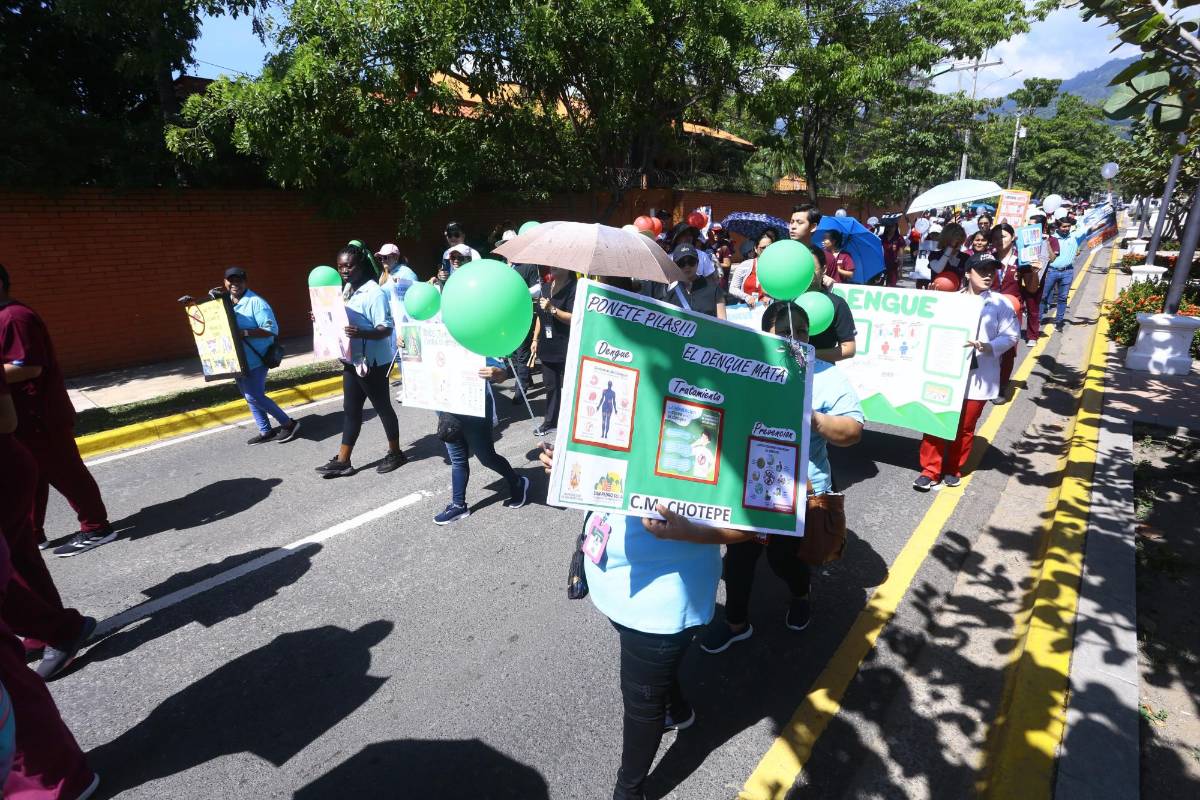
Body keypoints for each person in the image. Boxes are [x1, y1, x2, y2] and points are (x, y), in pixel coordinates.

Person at [537, 445, 754, 800]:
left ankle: (629, 790)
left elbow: (760, 521)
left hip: (662, 602)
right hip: (613, 580)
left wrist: (691, 532)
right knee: (650, 681)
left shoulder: (729, 403)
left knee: (641, 705)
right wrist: (570, 464)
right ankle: (679, 709)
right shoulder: (634, 393)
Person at [701, 301, 863, 653]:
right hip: (746, 486)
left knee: (784, 559)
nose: (794, 338)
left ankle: (800, 594)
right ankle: (736, 623)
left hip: (798, 494)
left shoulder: (825, 374)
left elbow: (852, 431)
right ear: (767, 334)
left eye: (802, 332)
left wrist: (815, 419)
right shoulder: (744, 368)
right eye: (784, 331)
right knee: (739, 560)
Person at [0, 265, 114, 558]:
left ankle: (97, 527)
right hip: (21, 416)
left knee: (66, 471)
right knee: (30, 476)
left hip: (41, 414)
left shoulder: (14, 317)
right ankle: (32, 534)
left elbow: (28, 367)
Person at [0, 359, 95, 682]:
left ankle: (57, 629)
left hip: (12, 457)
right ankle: (46, 630)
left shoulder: (15, 318)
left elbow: (29, 370)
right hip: (17, 457)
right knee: (20, 560)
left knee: (14, 564)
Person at [913, 254, 1018, 491]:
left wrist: (988, 346)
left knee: (966, 426)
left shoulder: (1001, 303)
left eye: (992, 270)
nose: (989, 275)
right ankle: (930, 470)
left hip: (980, 376)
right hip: (946, 372)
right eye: (982, 270)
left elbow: (1012, 336)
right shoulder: (950, 300)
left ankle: (953, 468)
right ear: (968, 273)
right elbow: (928, 327)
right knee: (936, 419)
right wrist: (929, 303)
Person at [315, 244, 407, 477]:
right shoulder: (346, 289)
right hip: (352, 359)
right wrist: (322, 318)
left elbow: (385, 329)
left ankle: (396, 453)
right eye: (340, 266)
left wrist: (360, 332)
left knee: (382, 406)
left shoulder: (373, 292)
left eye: (349, 265)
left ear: (360, 265)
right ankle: (344, 460)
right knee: (351, 409)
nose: (344, 270)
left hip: (374, 361)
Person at [182, 267, 301, 446]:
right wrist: (193, 305)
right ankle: (265, 430)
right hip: (236, 359)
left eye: (239, 280)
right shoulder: (225, 301)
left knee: (254, 395)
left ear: (245, 282)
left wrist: (244, 332)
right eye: (231, 280)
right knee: (248, 395)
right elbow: (212, 319)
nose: (234, 284)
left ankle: (289, 424)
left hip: (257, 358)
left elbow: (271, 330)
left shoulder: (256, 302)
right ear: (225, 282)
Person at [432, 362, 531, 525]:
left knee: (487, 458)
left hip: (475, 410)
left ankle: (518, 482)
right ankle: (458, 505)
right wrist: (404, 343)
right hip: (447, 410)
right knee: (457, 460)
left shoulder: (472, 339)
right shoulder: (430, 338)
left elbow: (501, 373)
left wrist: (497, 372)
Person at [990, 223, 1040, 399]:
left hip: (1012, 312)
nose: (999, 240)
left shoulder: (1023, 261)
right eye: (995, 237)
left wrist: (1033, 273)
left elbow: (1032, 289)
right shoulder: (988, 259)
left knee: (1008, 351)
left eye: (1003, 236)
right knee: (987, 348)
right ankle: (988, 382)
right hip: (989, 311)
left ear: (1013, 238)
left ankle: (1002, 385)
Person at [531, 267, 576, 437]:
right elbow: (539, 317)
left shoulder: (575, 288)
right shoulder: (544, 287)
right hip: (547, 345)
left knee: (572, 386)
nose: (554, 267)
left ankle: (573, 422)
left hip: (566, 344)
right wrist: (535, 339)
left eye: (559, 264)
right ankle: (550, 421)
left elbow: (574, 317)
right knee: (551, 386)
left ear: (567, 267)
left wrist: (553, 309)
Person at [805, 246, 858, 363]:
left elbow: (849, 348)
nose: (806, 272)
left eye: (812, 268)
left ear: (824, 269)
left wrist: (808, 355)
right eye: (802, 268)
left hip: (822, 372)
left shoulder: (837, 304)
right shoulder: (786, 300)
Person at [643, 245, 726, 319]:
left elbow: (723, 323)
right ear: (675, 265)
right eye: (681, 263)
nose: (687, 266)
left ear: (697, 262)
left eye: (691, 262)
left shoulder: (714, 289)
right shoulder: (667, 291)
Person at [1040, 215, 1079, 333]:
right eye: (1064, 226)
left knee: (1062, 298)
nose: (1066, 229)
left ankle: (1059, 322)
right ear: (1058, 227)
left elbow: (1089, 227)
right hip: (1051, 271)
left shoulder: (1075, 237)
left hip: (1068, 271)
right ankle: (1038, 319)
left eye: (1068, 226)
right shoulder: (1051, 238)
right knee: (1043, 296)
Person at [729, 229, 779, 307]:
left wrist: (771, 297)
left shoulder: (778, 268)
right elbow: (732, 288)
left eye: (769, 247)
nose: (766, 250)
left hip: (768, 310)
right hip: (746, 310)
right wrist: (746, 297)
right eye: (763, 248)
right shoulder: (745, 265)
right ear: (755, 249)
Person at [881, 222, 905, 287]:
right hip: (881, 265)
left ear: (896, 227)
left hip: (893, 266)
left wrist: (900, 269)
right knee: (878, 285)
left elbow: (901, 254)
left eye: (892, 226)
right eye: (888, 226)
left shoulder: (899, 238)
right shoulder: (881, 237)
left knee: (890, 286)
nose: (890, 228)